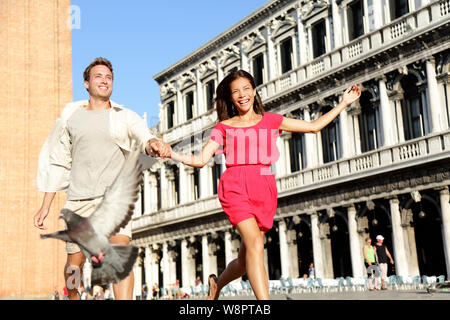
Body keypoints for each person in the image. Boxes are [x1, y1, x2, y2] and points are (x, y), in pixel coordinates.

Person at [168, 69, 361, 300]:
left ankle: (217, 285)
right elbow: (200, 160)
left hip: (264, 188)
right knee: (256, 244)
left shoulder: (271, 120)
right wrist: (171, 153)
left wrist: (343, 103)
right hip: (235, 187)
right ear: (230, 97)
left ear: (254, 91)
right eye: (236, 92)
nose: (242, 95)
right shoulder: (223, 127)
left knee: (243, 259)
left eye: (246, 89)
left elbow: (314, 126)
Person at [33, 57, 171, 300]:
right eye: (98, 76)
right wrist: (45, 206)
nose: (104, 81)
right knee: (74, 267)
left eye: (109, 77)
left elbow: (142, 136)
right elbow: (59, 162)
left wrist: (152, 143)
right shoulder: (71, 119)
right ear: (86, 83)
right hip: (79, 202)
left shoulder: (124, 115)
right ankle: (73, 296)